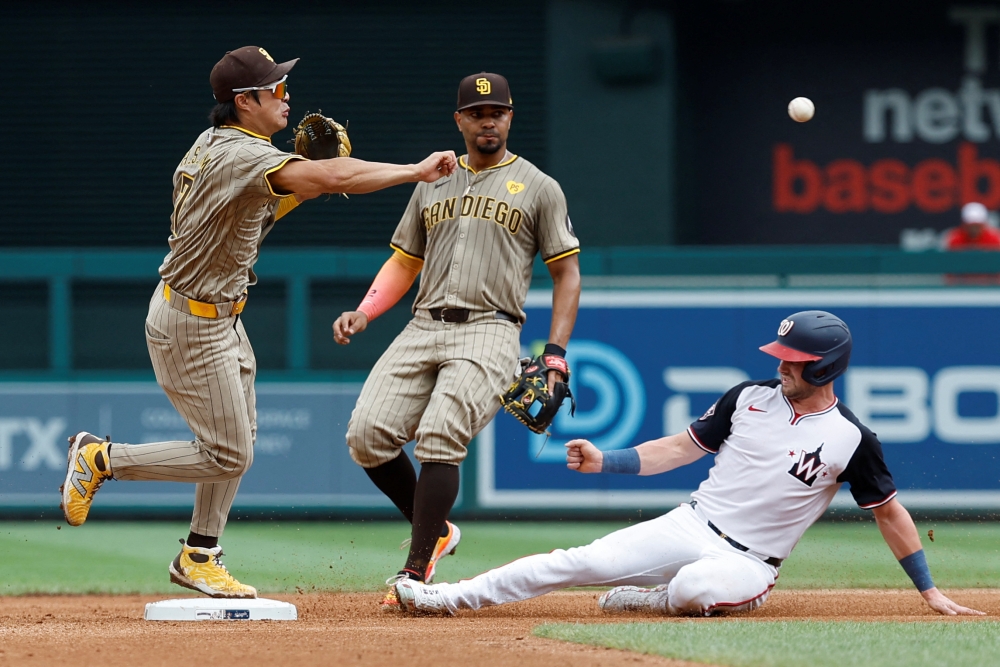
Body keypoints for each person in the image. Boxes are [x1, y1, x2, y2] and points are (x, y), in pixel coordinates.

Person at [60, 45, 458, 598]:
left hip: (216, 317)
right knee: (229, 452)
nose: (286, 95)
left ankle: (200, 554)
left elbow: (263, 211)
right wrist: (413, 171)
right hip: (191, 323)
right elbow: (332, 173)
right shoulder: (239, 156)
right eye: (275, 88)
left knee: (236, 441)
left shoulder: (225, 147)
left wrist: (310, 180)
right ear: (244, 101)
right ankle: (101, 459)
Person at [391, 311, 984, 618]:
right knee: (576, 562)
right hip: (691, 522)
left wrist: (928, 590)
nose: (782, 365)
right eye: (780, 355)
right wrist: (606, 462)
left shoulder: (851, 438)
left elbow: (890, 514)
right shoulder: (747, 397)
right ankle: (445, 598)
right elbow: (678, 449)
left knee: (696, 590)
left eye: (794, 360)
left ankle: (662, 597)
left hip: (752, 561)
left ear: (825, 368)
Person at [334, 72, 581, 609]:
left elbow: (567, 272)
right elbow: (406, 260)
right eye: (477, 112)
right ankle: (438, 530)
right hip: (423, 323)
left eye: (498, 112)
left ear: (511, 117)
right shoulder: (433, 180)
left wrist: (555, 353)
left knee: (441, 433)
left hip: (491, 326)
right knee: (366, 435)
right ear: (460, 120)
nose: (488, 120)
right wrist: (366, 310)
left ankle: (416, 570)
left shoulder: (539, 187)